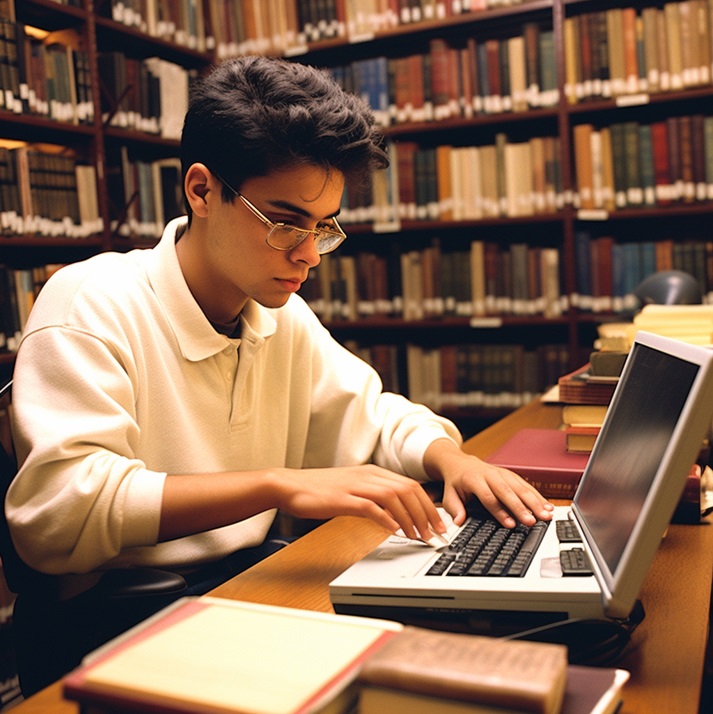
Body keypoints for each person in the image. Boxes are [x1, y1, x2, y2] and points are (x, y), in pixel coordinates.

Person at [7, 55, 553, 694]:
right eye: (286, 222)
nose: (306, 254)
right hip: (112, 627)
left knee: (469, 660)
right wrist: (276, 486)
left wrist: (451, 460)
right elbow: (57, 516)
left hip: (238, 592)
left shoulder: (278, 316)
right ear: (202, 190)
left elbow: (372, 416)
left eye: (323, 228)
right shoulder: (89, 303)